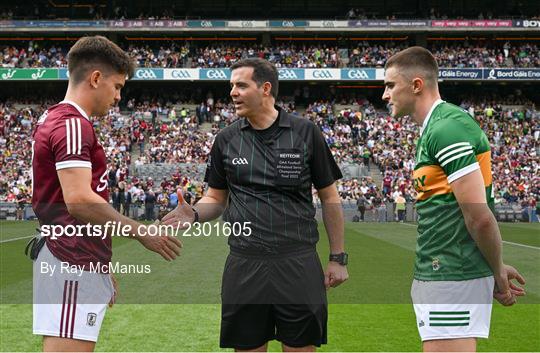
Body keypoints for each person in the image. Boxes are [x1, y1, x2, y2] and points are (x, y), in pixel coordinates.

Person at [162, 58, 348, 352]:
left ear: (265, 88)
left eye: (241, 85)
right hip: (245, 262)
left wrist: (338, 258)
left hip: (297, 261)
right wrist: (195, 212)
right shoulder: (226, 139)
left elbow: (330, 197)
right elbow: (216, 198)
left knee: (301, 347)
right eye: (231, 86)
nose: (232, 92)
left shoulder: (305, 132)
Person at [31, 35, 182, 352]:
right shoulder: (72, 124)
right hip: (68, 259)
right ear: (96, 78)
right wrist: (143, 233)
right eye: (117, 87)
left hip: (75, 257)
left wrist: (98, 261)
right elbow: (79, 201)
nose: (118, 97)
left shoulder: (61, 119)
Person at [382, 46, 526, 352]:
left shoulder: (447, 127)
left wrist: (497, 272)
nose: (385, 94)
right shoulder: (434, 128)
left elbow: (479, 216)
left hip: (452, 273)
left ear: (416, 85)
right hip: (441, 271)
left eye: (390, 85)